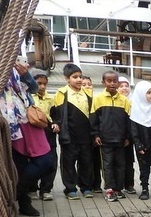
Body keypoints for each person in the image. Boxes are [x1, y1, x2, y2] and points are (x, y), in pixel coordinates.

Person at [0, 59, 55, 217]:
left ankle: (16, 192)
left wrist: (26, 75)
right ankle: (24, 202)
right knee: (20, 164)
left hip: (29, 118)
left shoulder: (18, 69)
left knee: (46, 161)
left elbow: (34, 88)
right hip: (10, 122)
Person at [52, 63, 94, 199]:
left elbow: (92, 113)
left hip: (86, 136)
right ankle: (70, 188)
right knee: (68, 163)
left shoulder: (87, 93)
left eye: (80, 77)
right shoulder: (61, 93)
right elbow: (56, 114)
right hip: (69, 136)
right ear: (66, 78)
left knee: (86, 162)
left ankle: (86, 187)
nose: (79, 80)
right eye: (75, 77)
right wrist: (57, 126)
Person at [90, 70, 132, 202]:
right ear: (103, 82)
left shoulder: (124, 100)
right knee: (107, 165)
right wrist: (95, 134)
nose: (112, 83)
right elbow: (93, 119)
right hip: (105, 139)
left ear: (118, 83)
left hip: (120, 140)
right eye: (109, 81)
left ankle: (118, 188)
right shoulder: (98, 99)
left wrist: (127, 137)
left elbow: (128, 121)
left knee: (120, 164)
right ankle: (109, 189)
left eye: (115, 81)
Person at [129, 80, 151, 200]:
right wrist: (138, 144)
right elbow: (134, 131)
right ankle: (144, 189)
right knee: (144, 169)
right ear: (141, 94)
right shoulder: (135, 111)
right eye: (148, 93)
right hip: (143, 146)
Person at [31, 71, 58, 201]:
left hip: (47, 131)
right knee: (33, 160)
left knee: (51, 161)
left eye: (44, 84)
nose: (42, 87)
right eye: (39, 83)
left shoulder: (50, 99)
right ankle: (32, 188)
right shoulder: (29, 97)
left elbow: (55, 115)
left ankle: (46, 189)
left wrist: (56, 124)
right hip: (33, 131)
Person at [116, 76, 137, 195]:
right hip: (117, 136)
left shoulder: (134, 101)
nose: (124, 88)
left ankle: (129, 184)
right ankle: (116, 185)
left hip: (130, 137)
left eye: (126, 86)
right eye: (121, 86)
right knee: (117, 162)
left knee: (129, 162)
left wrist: (129, 137)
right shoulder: (115, 101)